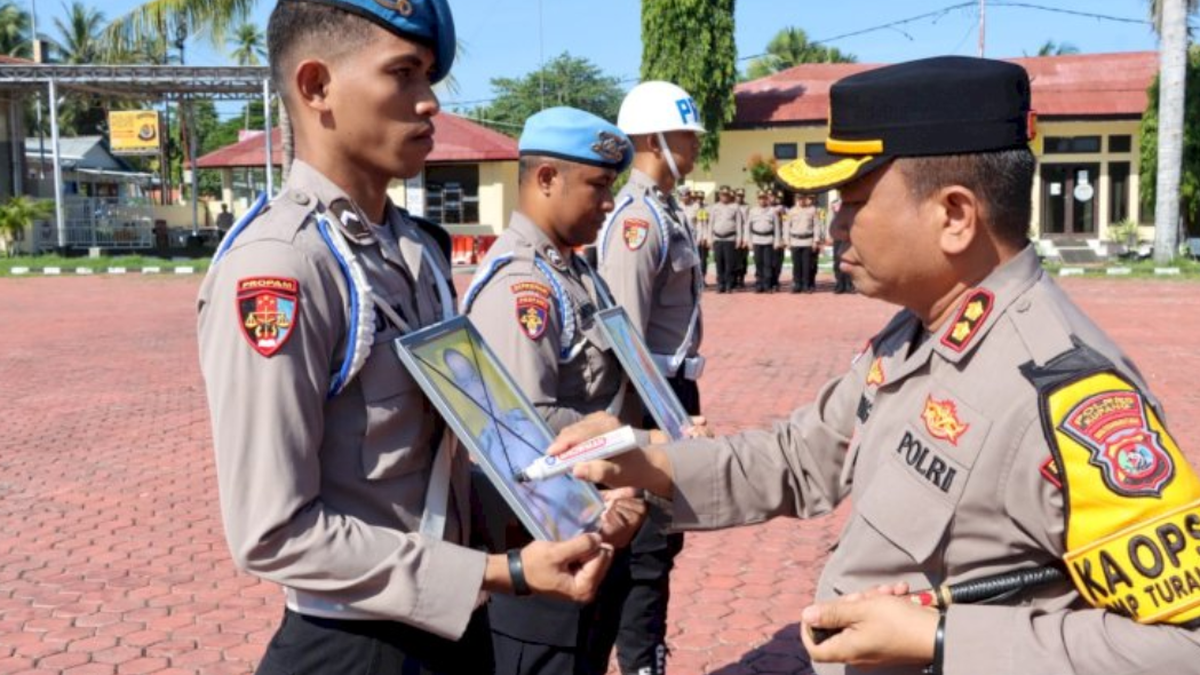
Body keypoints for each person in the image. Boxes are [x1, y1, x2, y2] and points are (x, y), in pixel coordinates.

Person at [556, 56, 1200, 675]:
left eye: (855, 201)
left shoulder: (1066, 397)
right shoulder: (915, 331)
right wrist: (649, 461)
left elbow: (1184, 645)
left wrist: (943, 639)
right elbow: (799, 455)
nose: (836, 226)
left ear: (954, 216)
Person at [196, 3, 613, 673]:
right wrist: (499, 571)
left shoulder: (413, 250)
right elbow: (271, 532)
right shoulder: (280, 266)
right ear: (316, 87)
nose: (428, 105)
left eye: (430, 78)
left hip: (450, 624)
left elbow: (434, 461)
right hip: (355, 644)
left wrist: (570, 506)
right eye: (403, 75)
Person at [461, 107, 648, 675]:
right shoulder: (523, 286)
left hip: (590, 529)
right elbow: (525, 425)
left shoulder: (572, 271)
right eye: (596, 185)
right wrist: (634, 442)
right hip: (543, 549)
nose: (609, 202)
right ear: (546, 180)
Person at [597, 80, 706, 675]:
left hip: (674, 394)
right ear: (654, 138)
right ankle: (640, 663)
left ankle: (649, 655)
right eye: (686, 134)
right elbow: (625, 341)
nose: (693, 146)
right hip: (649, 398)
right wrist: (647, 431)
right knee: (644, 550)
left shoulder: (666, 212)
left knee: (663, 543)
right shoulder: (638, 222)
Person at [785, 193, 823, 293]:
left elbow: (816, 226)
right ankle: (797, 285)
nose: (801, 200)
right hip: (795, 241)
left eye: (802, 198)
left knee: (807, 265)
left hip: (807, 241)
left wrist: (816, 240)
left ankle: (806, 285)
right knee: (796, 265)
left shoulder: (812, 210)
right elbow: (786, 227)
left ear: (805, 199)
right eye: (799, 198)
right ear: (796, 199)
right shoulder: (791, 211)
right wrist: (787, 241)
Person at [707, 186, 742, 294]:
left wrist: (739, 238)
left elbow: (739, 224)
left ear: (729, 196)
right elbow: (710, 224)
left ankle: (728, 285)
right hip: (717, 238)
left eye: (726, 195)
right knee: (719, 263)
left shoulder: (735, 207)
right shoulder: (714, 207)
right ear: (719, 195)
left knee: (729, 263)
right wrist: (709, 238)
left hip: (730, 239)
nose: (724, 197)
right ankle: (720, 284)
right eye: (722, 195)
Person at [745, 191, 781, 293]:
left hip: (769, 240)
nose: (762, 200)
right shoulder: (753, 211)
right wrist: (749, 241)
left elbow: (777, 228)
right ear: (758, 199)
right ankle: (759, 284)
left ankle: (767, 285)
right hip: (756, 240)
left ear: (767, 199)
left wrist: (777, 241)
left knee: (768, 264)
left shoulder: (772, 211)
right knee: (758, 263)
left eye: (764, 198)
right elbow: (748, 227)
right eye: (760, 198)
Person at [732, 187, 750, 288]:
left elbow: (747, 224)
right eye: (738, 195)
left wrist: (745, 239)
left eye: (742, 196)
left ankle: (741, 278)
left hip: (743, 236)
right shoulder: (731, 206)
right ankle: (733, 278)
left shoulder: (746, 207)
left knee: (742, 259)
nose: (740, 197)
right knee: (733, 259)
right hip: (732, 237)